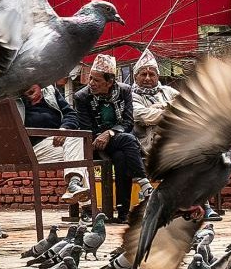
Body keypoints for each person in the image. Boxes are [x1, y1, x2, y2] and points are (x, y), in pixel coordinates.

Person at [67, 54, 148, 206]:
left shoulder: (124, 91)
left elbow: (128, 121)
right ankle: (144, 184)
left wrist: (110, 133)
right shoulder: (82, 96)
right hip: (95, 142)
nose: (91, 83)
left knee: (120, 157)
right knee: (129, 140)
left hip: (117, 140)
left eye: (96, 80)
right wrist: (102, 136)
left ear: (110, 81)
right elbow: (86, 128)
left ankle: (122, 212)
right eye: (90, 78)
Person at [129, 52, 172, 137]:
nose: (147, 78)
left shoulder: (168, 91)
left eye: (151, 74)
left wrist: (162, 105)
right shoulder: (131, 96)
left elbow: (185, 103)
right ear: (135, 77)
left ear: (157, 77)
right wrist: (173, 110)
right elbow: (144, 116)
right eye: (144, 74)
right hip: (146, 143)